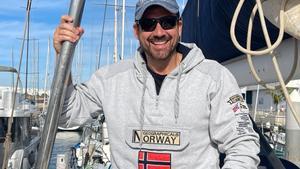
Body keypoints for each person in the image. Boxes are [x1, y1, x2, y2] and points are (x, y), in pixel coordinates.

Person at [54, 0, 260, 168]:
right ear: (137, 30)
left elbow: (242, 146)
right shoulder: (110, 80)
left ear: (179, 26)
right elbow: (66, 116)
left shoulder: (215, 78)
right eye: (148, 24)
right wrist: (63, 57)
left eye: (167, 22)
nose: (159, 32)